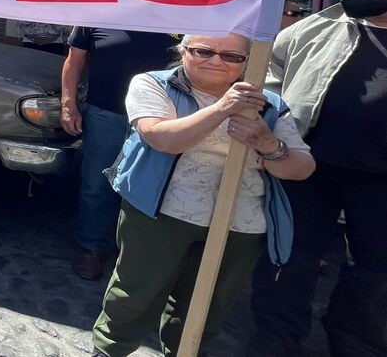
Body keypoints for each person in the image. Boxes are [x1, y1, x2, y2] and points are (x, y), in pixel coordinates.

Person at [92, 33, 314, 356]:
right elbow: (161, 138)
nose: (216, 61)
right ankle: (109, 349)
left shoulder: (269, 104)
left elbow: (302, 168)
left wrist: (269, 145)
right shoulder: (155, 85)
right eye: (203, 51)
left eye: (231, 56)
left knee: (204, 304)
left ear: (246, 62)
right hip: (161, 214)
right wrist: (224, 108)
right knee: (135, 292)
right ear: (182, 50)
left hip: (239, 225)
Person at [249, 0, 387, 357]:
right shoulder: (316, 28)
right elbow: (271, 71)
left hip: (379, 179)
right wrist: (271, 124)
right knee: (288, 256)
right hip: (307, 167)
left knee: (374, 267)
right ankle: (275, 340)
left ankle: (355, 341)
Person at [60, 27, 181, 280]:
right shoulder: (101, 8)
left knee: (149, 184)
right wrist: (68, 104)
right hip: (106, 113)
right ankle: (91, 248)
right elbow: (74, 61)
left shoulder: (177, 9)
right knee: (96, 184)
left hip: (161, 117)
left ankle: (135, 255)